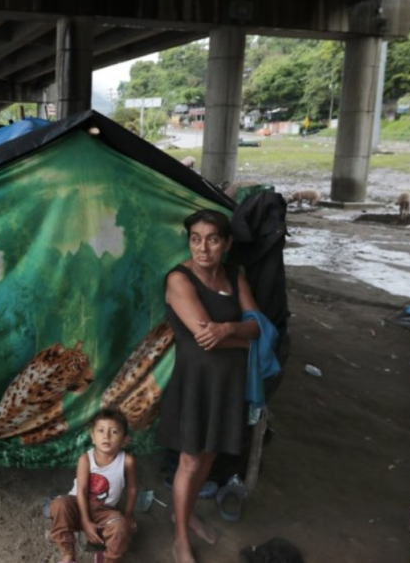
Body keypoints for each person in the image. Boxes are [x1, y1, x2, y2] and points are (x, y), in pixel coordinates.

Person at [158, 209, 261, 563]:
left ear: (227, 243)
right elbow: (206, 338)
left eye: (212, 239)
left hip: (229, 383)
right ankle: (180, 538)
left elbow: (256, 324)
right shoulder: (179, 280)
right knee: (189, 460)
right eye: (196, 239)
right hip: (197, 382)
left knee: (209, 453)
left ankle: (182, 514)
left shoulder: (235, 275)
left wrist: (230, 329)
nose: (203, 248)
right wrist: (243, 340)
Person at [48, 409, 138, 563]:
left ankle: (109, 559)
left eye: (114, 432)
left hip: (105, 511)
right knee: (59, 504)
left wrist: (129, 515)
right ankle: (68, 555)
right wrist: (85, 521)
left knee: (120, 527)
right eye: (101, 431)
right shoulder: (86, 459)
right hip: (77, 504)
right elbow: (81, 491)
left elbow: (132, 489)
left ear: (124, 440)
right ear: (92, 437)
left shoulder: (127, 461)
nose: (106, 436)